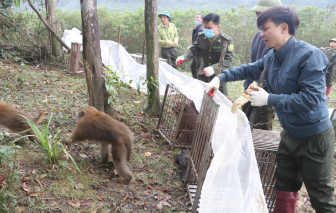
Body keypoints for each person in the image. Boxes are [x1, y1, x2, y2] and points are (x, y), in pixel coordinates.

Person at [206, 6, 336, 213]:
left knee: (320, 196)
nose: (262, 34)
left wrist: (270, 98)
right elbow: (249, 68)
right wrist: (220, 77)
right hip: (290, 134)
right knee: (284, 188)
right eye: (261, 29)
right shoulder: (273, 56)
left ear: (283, 28)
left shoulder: (310, 55)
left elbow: (311, 99)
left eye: (265, 28)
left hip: (314, 137)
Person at [241, 0, 281, 130]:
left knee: (262, 136)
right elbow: (254, 64)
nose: (258, 18)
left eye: (261, 14)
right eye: (257, 14)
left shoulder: (281, 42)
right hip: (250, 90)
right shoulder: (259, 36)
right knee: (244, 131)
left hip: (265, 96)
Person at [176, 13, 234, 96]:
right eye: (205, 28)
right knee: (200, 99)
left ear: (217, 27)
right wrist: (183, 57)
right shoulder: (201, 37)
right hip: (203, 76)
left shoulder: (226, 40)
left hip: (219, 79)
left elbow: (229, 60)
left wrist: (213, 68)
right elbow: (193, 49)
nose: (206, 30)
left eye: (209, 28)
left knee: (220, 102)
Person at [190, 14, 204, 79]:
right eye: (195, 17)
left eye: (198, 17)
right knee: (193, 66)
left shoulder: (201, 29)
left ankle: (199, 82)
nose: (196, 19)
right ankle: (196, 80)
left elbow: (199, 43)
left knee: (198, 69)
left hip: (199, 53)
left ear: (202, 20)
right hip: (196, 53)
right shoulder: (197, 28)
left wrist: (192, 46)